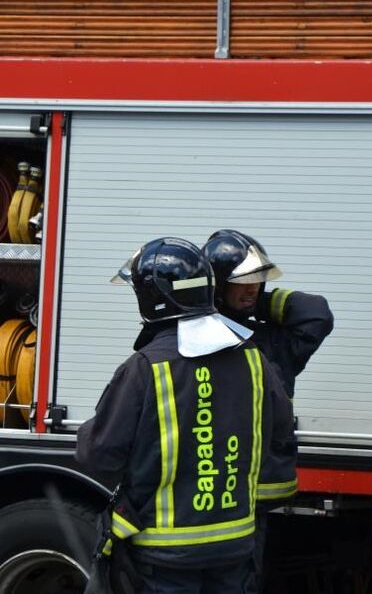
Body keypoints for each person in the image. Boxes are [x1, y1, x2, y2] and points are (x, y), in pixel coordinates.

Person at [76, 236, 294, 594]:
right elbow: (279, 432)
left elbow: (100, 455)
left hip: (164, 557)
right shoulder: (255, 360)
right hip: (236, 548)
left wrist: (91, 431)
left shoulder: (145, 368)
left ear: (153, 298)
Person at [203, 229, 334, 592]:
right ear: (215, 284)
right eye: (241, 281)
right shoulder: (193, 342)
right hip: (200, 491)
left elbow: (317, 313)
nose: (252, 288)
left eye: (257, 281)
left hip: (248, 498)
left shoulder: (271, 344)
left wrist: (260, 304)